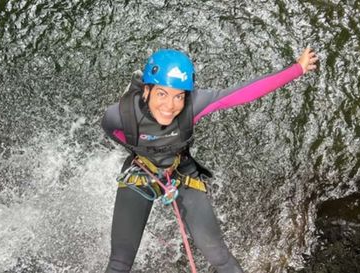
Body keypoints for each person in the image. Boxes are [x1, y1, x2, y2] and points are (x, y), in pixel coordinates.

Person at [100, 47, 318, 272]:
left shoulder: (193, 105)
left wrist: (297, 69)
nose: (170, 106)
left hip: (180, 173)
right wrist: (145, 154)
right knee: (119, 263)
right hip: (141, 173)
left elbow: (243, 92)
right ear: (147, 91)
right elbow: (111, 131)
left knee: (219, 257)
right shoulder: (120, 115)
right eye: (162, 93)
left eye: (178, 96)